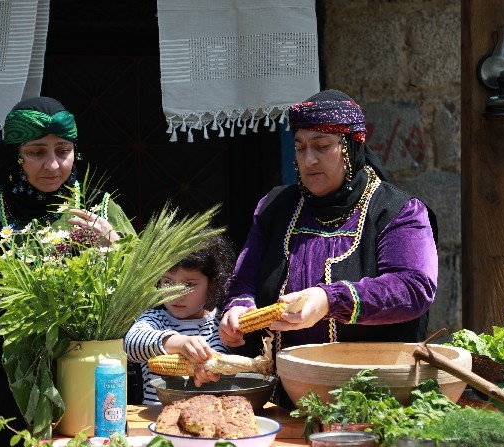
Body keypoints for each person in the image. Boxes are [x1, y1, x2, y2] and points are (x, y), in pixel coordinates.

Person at [219, 89, 438, 408]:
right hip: (284, 400)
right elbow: (243, 283)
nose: (309, 160)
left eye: (322, 146)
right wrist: (237, 309)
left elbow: (413, 287)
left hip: (375, 401)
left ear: (350, 147)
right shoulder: (275, 208)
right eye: (300, 147)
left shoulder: (397, 211)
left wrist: (328, 299)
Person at [0, 96, 135, 446]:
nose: (52, 165)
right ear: (15, 156)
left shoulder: (101, 211)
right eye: (37, 152)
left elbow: (144, 290)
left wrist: (115, 248)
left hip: (84, 375)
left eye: (62, 150)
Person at [124, 230, 235, 404]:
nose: (176, 294)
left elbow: (218, 360)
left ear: (212, 284)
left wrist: (207, 371)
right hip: (155, 418)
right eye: (168, 282)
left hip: (204, 417)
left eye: (189, 284)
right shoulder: (155, 319)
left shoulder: (218, 325)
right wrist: (180, 343)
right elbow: (131, 344)